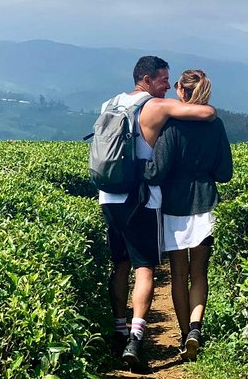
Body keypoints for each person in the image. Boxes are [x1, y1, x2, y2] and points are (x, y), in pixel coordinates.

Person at [98, 56, 216, 368]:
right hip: (139, 198)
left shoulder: (110, 104)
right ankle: (136, 340)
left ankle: (118, 328)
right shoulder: (156, 106)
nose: (167, 85)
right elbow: (205, 112)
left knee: (119, 263)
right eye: (163, 79)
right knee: (145, 268)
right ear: (147, 79)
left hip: (108, 194)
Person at [142, 69, 233, 361]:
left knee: (179, 274)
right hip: (205, 203)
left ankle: (184, 336)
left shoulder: (171, 127)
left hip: (175, 206)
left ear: (181, 91)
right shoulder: (215, 125)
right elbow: (225, 172)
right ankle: (196, 328)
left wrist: (140, 170)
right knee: (200, 273)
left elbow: (157, 171)